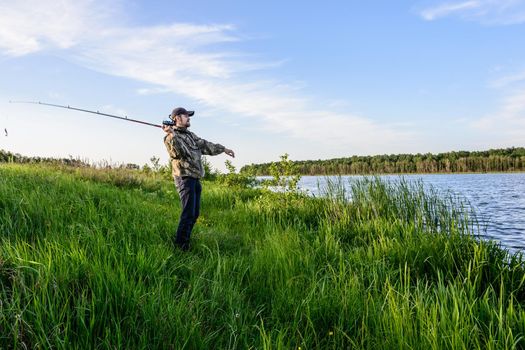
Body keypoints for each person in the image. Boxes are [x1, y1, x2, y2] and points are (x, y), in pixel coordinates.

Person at [162, 107, 235, 251]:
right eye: (186, 116)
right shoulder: (170, 137)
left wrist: (224, 149)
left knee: (194, 214)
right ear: (177, 118)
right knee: (188, 213)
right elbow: (180, 153)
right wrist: (172, 134)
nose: (189, 118)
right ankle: (181, 247)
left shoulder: (190, 135)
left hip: (195, 178)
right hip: (184, 178)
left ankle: (184, 241)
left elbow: (205, 145)